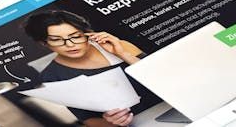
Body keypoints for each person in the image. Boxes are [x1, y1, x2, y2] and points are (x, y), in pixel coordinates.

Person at [23, 10, 151, 127]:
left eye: (76, 36)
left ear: (87, 34)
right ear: (43, 43)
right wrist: (111, 122)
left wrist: (123, 54)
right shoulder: (52, 76)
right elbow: (88, 120)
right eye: (57, 40)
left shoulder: (120, 46)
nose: (70, 44)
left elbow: (162, 76)